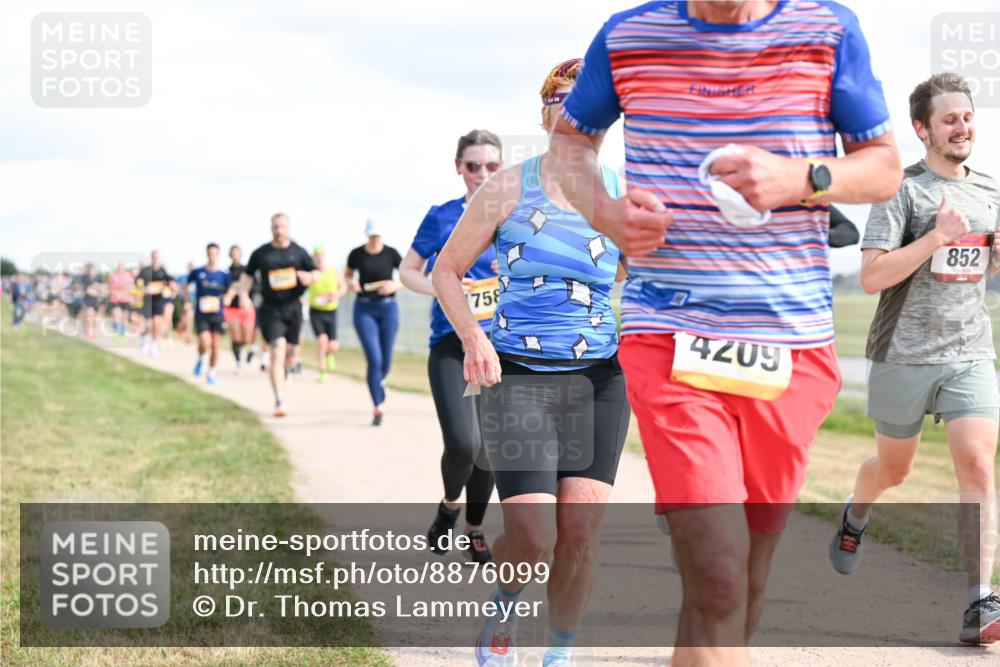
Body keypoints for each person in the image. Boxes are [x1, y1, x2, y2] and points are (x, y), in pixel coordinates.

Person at [547, 2, 903, 664]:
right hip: (669, 335)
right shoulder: (629, 35)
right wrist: (604, 211)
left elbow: (883, 167)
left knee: (744, 580)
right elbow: (569, 141)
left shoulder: (827, 30)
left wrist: (804, 176)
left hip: (791, 345)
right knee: (717, 572)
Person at [433, 59, 631, 667]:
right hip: (516, 377)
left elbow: (643, 277)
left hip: (599, 380)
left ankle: (559, 651)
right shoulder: (506, 188)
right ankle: (504, 604)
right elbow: (446, 271)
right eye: (564, 100)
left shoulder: (623, 194)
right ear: (544, 114)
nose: (577, 113)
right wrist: (474, 338)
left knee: (580, 537)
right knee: (533, 537)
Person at [829, 73, 1000, 645]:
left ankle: (980, 602)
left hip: (969, 350)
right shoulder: (901, 189)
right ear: (923, 129)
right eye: (949, 119)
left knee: (978, 465)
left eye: (967, 117)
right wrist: (933, 238)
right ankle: (857, 512)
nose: (962, 127)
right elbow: (872, 275)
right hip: (903, 351)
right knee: (893, 469)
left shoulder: (991, 192)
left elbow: (979, 271)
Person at [400, 129, 503, 565]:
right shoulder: (441, 217)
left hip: (501, 348)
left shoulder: (516, 215)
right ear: (459, 168)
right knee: (463, 443)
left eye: (491, 166)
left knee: (490, 448)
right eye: (473, 165)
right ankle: (448, 506)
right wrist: (442, 288)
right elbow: (408, 271)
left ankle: (475, 529)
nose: (482, 174)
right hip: (451, 345)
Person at [240, 213, 318, 417]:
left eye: (282, 226)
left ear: (288, 228)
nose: (279, 230)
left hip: (293, 308)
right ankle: (279, 400)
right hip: (271, 308)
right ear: (271, 228)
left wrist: (310, 277)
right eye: (275, 227)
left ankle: (286, 373)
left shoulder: (299, 252)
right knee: (277, 349)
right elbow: (247, 276)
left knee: (291, 355)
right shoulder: (261, 253)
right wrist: (243, 295)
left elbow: (316, 272)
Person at [346, 220, 403, 426]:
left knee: (386, 361)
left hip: (388, 308)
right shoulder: (356, 254)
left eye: (377, 236)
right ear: (367, 235)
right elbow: (348, 275)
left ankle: (381, 381)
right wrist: (351, 283)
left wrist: (395, 285)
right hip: (364, 309)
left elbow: (407, 275)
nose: (374, 239)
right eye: (371, 236)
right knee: (374, 359)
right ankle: (377, 407)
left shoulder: (392, 254)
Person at [188, 243, 236, 385]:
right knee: (205, 343)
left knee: (215, 345)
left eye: (215, 253)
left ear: (218, 255)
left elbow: (232, 288)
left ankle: (211, 372)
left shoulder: (224, 274)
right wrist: (187, 301)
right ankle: (201, 357)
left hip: (217, 314)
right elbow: (185, 286)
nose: (212, 256)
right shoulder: (198, 272)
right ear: (207, 254)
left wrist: (228, 297)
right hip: (202, 314)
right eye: (210, 253)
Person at [306, 247, 346, 383]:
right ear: (313, 257)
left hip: (331, 310)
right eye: (316, 255)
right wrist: (304, 297)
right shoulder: (311, 273)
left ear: (325, 256)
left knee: (333, 345)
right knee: (321, 341)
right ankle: (322, 371)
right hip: (315, 311)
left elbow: (343, 287)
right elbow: (304, 288)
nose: (319, 258)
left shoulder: (333, 271)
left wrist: (337, 294)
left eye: (321, 255)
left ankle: (329, 355)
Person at [136, 251, 177, 357]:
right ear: (151, 257)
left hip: (159, 300)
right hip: (147, 300)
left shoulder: (162, 271)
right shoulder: (145, 270)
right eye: (154, 257)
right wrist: (143, 289)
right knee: (148, 324)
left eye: (157, 257)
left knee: (157, 322)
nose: (156, 259)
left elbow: (171, 282)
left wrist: (173, 290)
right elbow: (137, 282)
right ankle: (145, 340)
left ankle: (153, 345)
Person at [223, 245, 257, 373]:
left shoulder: (247, 271)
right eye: (233, 253)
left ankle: (252, 348)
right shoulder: (226, 272)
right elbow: (223, 288)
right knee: (235, 336)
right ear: (229, 255)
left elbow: (254, 286)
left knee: (246, 338)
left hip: (246, 308)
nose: (235, 255)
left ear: (240, 254)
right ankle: (238, 361)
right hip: (232, 309)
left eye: (237, 253)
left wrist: (241, 292)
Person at [107, 263, 134, 339]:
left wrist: (131, 297)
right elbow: (110, 287)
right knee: (117, 315)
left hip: (126, 299)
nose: (120, 269)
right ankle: (117, 334)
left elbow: (131, 287)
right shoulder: (112, 276)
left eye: (122, 267)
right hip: (116, 299)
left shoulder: (128, 276)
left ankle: (122, 333)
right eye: (119, 267)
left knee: (125, 317)